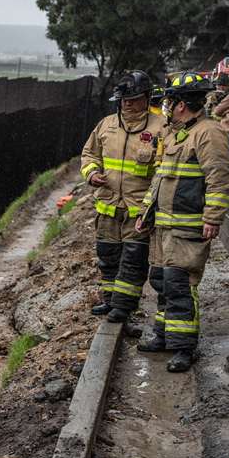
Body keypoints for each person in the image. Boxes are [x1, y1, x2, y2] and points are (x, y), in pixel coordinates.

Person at [136, 72, 229, 372]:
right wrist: (146, 212)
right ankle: (164, 336)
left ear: (181, 105)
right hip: (164, 227)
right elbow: (161, 178)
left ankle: (183, 347)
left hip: (187, 227)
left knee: (180, 285)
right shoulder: (176, 132)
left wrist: (213, 217)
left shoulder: (208, 133)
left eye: (169, 101)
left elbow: (220, 178)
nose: (165, 106)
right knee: (161, 281)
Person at [79, 70, 160, 324]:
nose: (127, 104)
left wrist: (151, 205)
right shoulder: (106, 125)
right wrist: (92, 174)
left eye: (133, 99)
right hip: (108, 207)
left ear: (146, 98)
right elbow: (89, 155)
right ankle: (110, 299)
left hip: (138, 210)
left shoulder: (161, 128)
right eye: (124, 100)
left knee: (133, 260)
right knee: (108, 256)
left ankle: (124, 306)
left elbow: (164, 170)